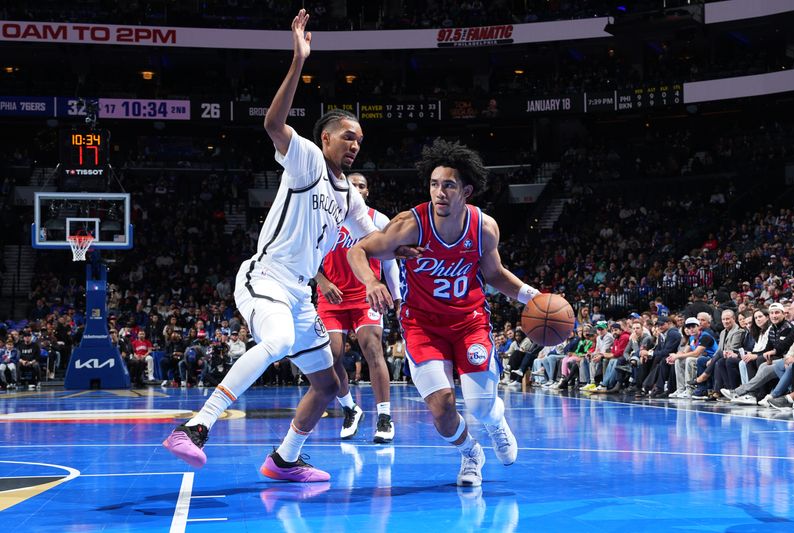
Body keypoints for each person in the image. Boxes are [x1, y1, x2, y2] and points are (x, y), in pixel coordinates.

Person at [164, 9, 383, 483]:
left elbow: (371, 240)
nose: (355, 145)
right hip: (265, 276)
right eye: (348, 136)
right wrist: (298, 60)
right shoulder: (305, 159)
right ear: (325, 138)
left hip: (301, 293)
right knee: (278, 341)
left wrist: (416, 240)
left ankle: (284, 459)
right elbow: (272, 122)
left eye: (360, 140)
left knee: (327, 383)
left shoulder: (348, 194)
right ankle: (196, 426)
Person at [348, 138, 541, 487]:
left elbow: (495, 275)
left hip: (469, 323)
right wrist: (370, 284)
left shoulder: (484, 227)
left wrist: (533, 296)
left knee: (481, 406)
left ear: (466, 190)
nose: (439, 192)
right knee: (441, 408)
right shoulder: (410, 223)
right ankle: (471, 453)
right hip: (422, 325)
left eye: (448, 185)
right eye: (434, 184)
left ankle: (495, 423)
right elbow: (358, 252)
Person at [314, 172, 401, 443]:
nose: (356, 188)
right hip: (333, 296)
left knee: (372, 349)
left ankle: (384, 417)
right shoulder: (322, 218)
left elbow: (390, 263)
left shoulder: (378, 220)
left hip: (367, 294)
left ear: (367, 192)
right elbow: (307, 257)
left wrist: (397, 298)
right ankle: (351, 408)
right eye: (351, 184)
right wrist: (322, 280)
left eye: (361, 185)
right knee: (330, 356)